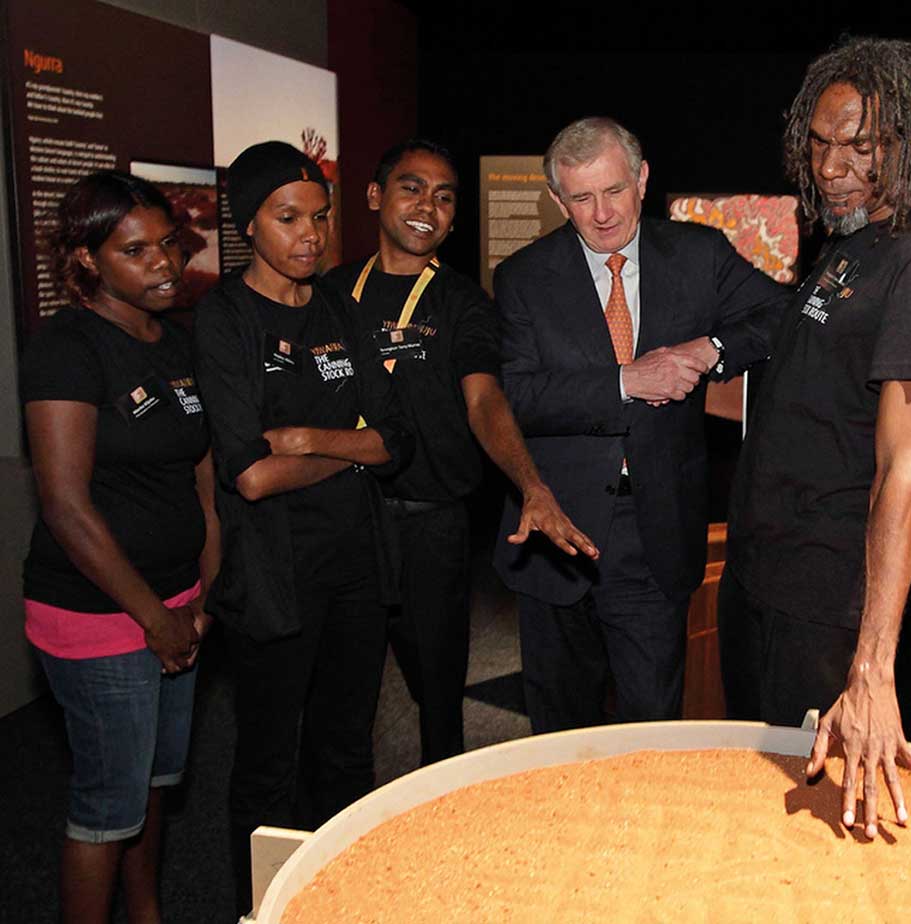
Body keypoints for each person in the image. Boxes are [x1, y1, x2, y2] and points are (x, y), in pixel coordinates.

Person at [719, 36, 911, 839]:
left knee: (824, 825)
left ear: (910, 145)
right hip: (769, 575)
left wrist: (872, 665)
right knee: (758, 807)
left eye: (859, 149)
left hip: (829, 605)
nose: (831, 168)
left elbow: (904, 470)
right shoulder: (851, 244)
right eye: (821, 145)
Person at [493, 116, 790, 734]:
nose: (601, 214)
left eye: (614, 190)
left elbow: (783, 315)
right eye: (581, 198)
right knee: (557, 731)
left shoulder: (697, 256)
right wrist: (626, 381)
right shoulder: (522, 277)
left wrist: (708, 350)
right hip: (557, 530)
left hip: (653, 534)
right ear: (557, 200)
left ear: (643, 178)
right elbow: (516, 394)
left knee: (652, 728)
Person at [192, 141, 414, 914]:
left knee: (346, 748)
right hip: (273, 577)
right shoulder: (223, 319)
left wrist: (309, 441)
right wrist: (350, 451)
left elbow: (395, 440)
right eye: (288, 218)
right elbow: (249, 474)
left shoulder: (338, 309)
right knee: (266, 763)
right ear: (248, 224)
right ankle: (263, 906)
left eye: (319, 217)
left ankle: (339, 900)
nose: (310, 235)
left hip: (356, 564)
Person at [326, 139, 595, 765]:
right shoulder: (333, 294)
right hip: (344, 516)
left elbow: (485, 401)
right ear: (375, 196)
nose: (429, 205)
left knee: (438, 696)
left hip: (429, 523)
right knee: (343, 694)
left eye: (445, 197)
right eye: (412, 188)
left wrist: (531, 483)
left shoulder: (464, 302)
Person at [21, 170, 219, 923]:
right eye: (136, 251)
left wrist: (204, 591)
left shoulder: (175, 338)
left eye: (168, 244)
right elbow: (66, 506)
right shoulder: (68, 347)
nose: (164, 264)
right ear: (87, 262)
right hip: (102, 616)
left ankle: (146, 915)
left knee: (153, 787)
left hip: (176, 605)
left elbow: (203, 474)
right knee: (107, 807)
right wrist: (154, 618)